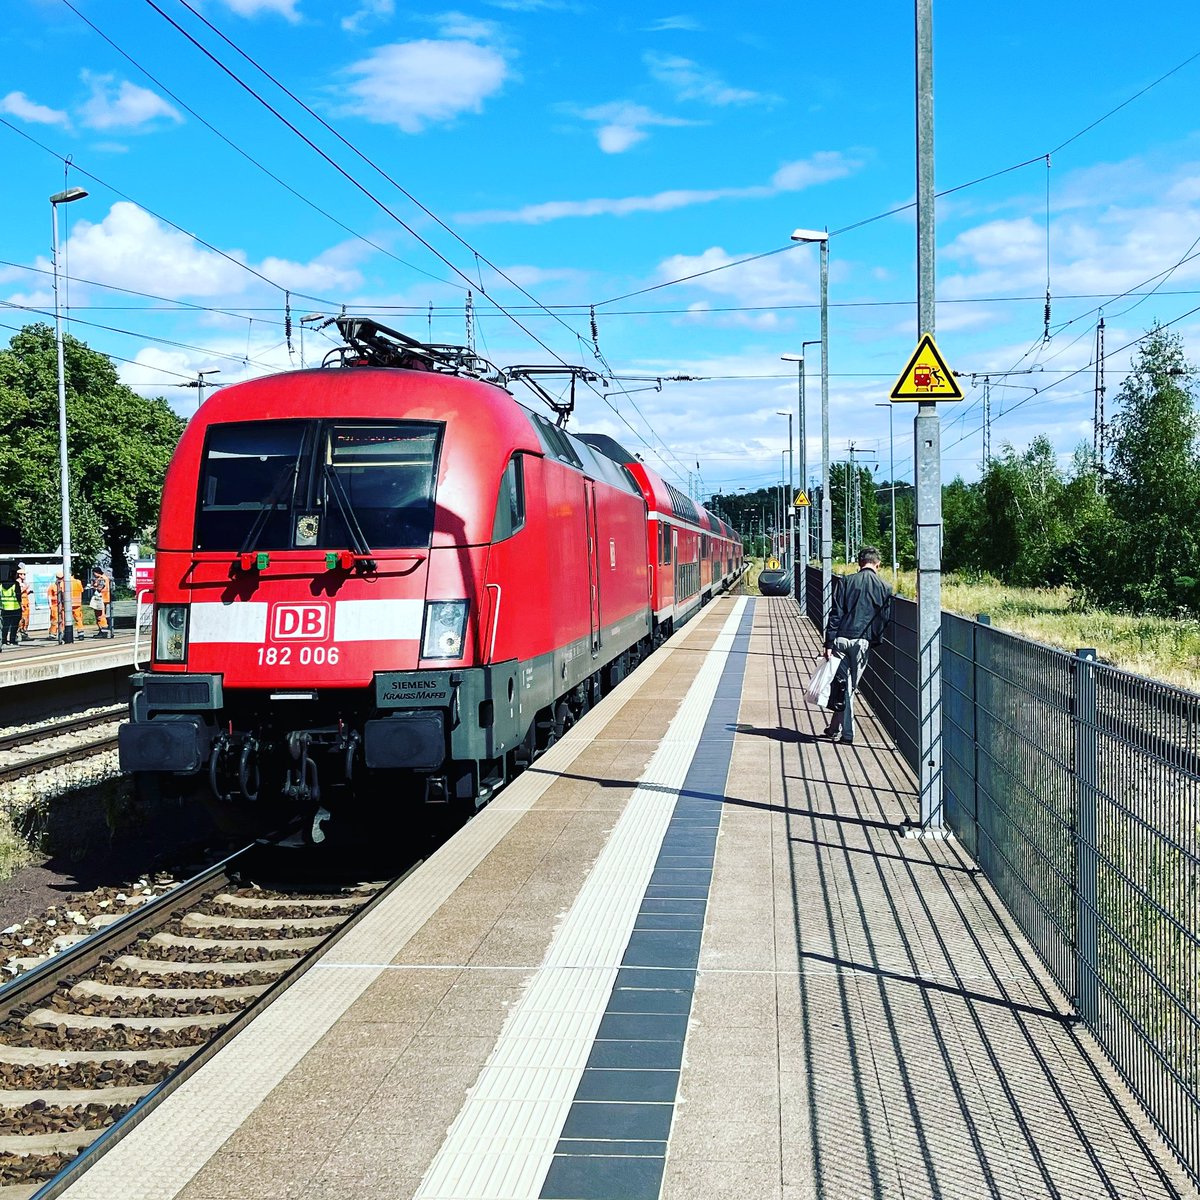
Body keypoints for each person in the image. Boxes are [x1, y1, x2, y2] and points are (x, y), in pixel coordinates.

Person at [822, 546, 894, 745]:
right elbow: (884, 619)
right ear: (877, 564)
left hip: (841, 639)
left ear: (860, 563)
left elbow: (835, 613)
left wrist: (829, 642)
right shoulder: (885, 588)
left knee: (842, 684)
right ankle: (848, 734)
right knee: (849, 687)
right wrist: (873, 640)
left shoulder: (846, 582)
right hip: (863, 641)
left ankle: (834, 728)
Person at [91, 568, 113, 638]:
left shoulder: (101, 578)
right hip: (104, 598)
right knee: (101, 615)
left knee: (100, 615)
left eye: (94, 573)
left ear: (96, 572)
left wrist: (93, 586)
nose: (93, 575)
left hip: (101, 599)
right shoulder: (105, 578)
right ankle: (103, 631)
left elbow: (99, 588)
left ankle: (104, 632)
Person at [0, 568, 19, 648]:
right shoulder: (15, 584)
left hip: (4, 608)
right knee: (14, 626)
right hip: (15, 607)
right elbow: (18, 596)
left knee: (5, 625)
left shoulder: (1, 584)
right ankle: (12, 640)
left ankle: (3, 640)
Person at [16, 567, 31, 640]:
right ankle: (18, 634)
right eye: (23, 574)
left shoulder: (24, 582)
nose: (24, 576)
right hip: (21, 602)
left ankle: (24, 633)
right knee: (21, 619)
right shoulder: (17, 583)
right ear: (19, 575)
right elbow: (19, 592)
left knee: (26, 619)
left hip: (26, 602)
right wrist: (25, 588)